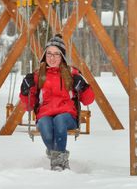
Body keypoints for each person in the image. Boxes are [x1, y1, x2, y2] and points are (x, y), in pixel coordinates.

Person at [19, 34, 94, 171]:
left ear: (62, 57)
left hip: (67, 116)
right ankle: (58, 157)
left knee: (59, 120)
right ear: (44, 55)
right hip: (45, 115)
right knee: (44, 125)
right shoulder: (37, 76)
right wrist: (25, 92)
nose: (52, 58)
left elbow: (88, 100)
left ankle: (58, 164)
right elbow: (29, 107)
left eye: (56, 54)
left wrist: (83, 86)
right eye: (49, 54)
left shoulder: (72, 74)